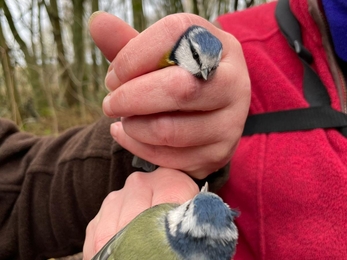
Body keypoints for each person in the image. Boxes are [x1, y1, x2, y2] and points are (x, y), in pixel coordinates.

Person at [0, 0, 346, 260]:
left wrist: (146, 143)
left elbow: (20, 185)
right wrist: (157, 137)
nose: (205, 77)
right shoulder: (247, 37)